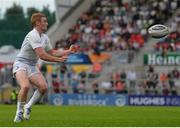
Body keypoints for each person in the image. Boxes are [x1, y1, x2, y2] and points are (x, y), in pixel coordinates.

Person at [13, 12, 76, 123]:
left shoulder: (45, 37)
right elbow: (42, 55)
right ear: (37, 23)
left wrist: (68, 51)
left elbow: (51, 51)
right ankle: (19, 113)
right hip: (21, 63)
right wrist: (58, 60)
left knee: (43, 88)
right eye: (44, 21)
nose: (47, 23)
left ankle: (28, 106)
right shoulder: (33, 35)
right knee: (25, 86)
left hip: (32, 65)